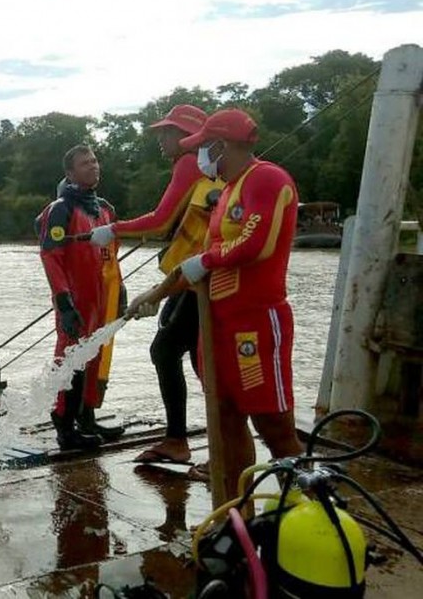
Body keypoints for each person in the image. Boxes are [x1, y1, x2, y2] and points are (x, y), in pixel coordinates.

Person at [127, 109, 303, 499]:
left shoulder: (268, 179)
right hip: (218, 322)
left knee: (273, 423)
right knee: (225, 418)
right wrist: (154, 296)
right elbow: (198, 265)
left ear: (222, 145)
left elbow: (257, 244)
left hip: (256, 322)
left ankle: (304, 505)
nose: (200, 158)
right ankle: (237, 512)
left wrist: (205, 260)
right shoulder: (225, 193)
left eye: (204, 148)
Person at [88, 104, 224, 465]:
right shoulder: (203, 167)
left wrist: (113, 230)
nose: (161, 139)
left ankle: (199, 446)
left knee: (182, 356)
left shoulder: (188, 163)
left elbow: (161, 221)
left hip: (204, 278)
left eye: (167, 132)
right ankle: (190, 441)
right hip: (195, 276)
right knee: (184, 353)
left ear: (187, 136)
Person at [36, 145, 125, 450]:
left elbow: (113, 254)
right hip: (74, 298)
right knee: (71, 360)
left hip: (102, 297)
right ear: (70, 173)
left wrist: (120, 290)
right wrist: (63, 301)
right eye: (85, 163)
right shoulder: (60, 209)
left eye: (95, 161)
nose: (93, 166)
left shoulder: (106, 209)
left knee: (96, 358)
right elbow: (50, 255)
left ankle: (87, 418)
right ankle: (64, 425)